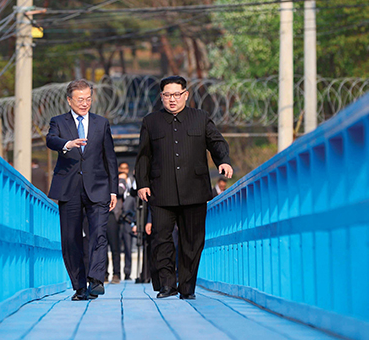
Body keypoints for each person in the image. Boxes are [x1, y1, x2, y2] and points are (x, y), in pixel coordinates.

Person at [135, 75, 233, 300]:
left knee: (192, 242)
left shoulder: (201, 118)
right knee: (161, 238)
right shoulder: (151, 122)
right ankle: (167, 285)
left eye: (176, 95)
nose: (172, 100)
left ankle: (187, 287)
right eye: (167, 95)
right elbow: (143, 157)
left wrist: (224, 161)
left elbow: (216, 142)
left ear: (185, 95)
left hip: (194, 190)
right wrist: (142, 183)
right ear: (161, 97)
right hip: (161, 190)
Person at [46, 79, 118, 301]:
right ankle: (79, 287)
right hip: (69, 188)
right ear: (69, 100)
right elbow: (51, 140)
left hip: (98, 188)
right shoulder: (58, 122)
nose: (85, 103)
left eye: (88, 99)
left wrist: (113, 190)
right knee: (71, 239)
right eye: (80, 100)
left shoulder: (101, 123)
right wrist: (68, 144)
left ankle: (96, 280)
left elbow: (110, 158)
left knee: (98, 234)